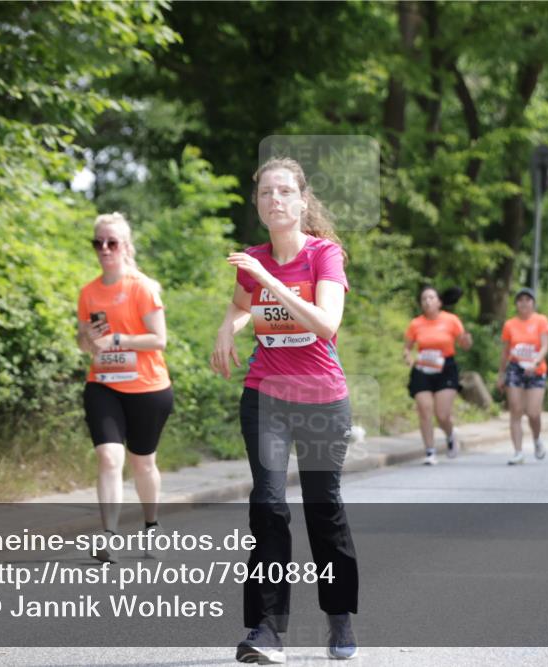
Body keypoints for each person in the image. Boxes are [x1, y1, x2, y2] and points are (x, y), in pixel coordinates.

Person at [211, 157, 358, 663]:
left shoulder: (324, 255)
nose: (274, 199)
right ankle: (267, 630)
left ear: (301, 201)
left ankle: (339, 616)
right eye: (265, 193)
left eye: (284, 191)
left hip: (321, 399)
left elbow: (326, 323)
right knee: (268, 505)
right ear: (258, 203)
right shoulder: (253, 258)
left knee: (323, 508)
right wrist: (227, 327)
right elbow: (240, 304)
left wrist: (268, 282)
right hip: (266, 395)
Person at [76, 212, 174, 562]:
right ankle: (109, 535)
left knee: (142, 463)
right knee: (108, 457)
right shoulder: (88, 292)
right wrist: (87, 338)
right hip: (104, 384)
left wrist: (117, 339)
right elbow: (83, 343)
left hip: (148, 387)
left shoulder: (141, 287)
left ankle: (151, 525)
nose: (104, 248)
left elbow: (159, 339)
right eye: (98, 242)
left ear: (125, 246)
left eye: (112, 242)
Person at [403, 285, 473, 464]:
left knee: (442, 414)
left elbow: (465, 345)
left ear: (439, 302)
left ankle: (450, 434)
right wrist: (408, 357)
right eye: (424, 298)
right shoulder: (416, 323)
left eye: (431, 297)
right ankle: (430, 451)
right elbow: (407, 348)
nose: (427, 301)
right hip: (423, 368)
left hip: (445, 368)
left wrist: (467, 340)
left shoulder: (451, 320)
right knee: (424, 409)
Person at [497, 288, 548, 465]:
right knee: (516, 409)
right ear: (516, 304)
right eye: (520, 300)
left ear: (533, 303)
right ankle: (518, 451)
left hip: (536, 369)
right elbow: (505, 351)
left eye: (528, 300)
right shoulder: (510, 324)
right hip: (515, 368)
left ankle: (537, 439)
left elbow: (545, 346)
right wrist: (501, 374)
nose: (524, 303)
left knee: (533, 412)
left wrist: (535, 361)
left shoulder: (541, 321)